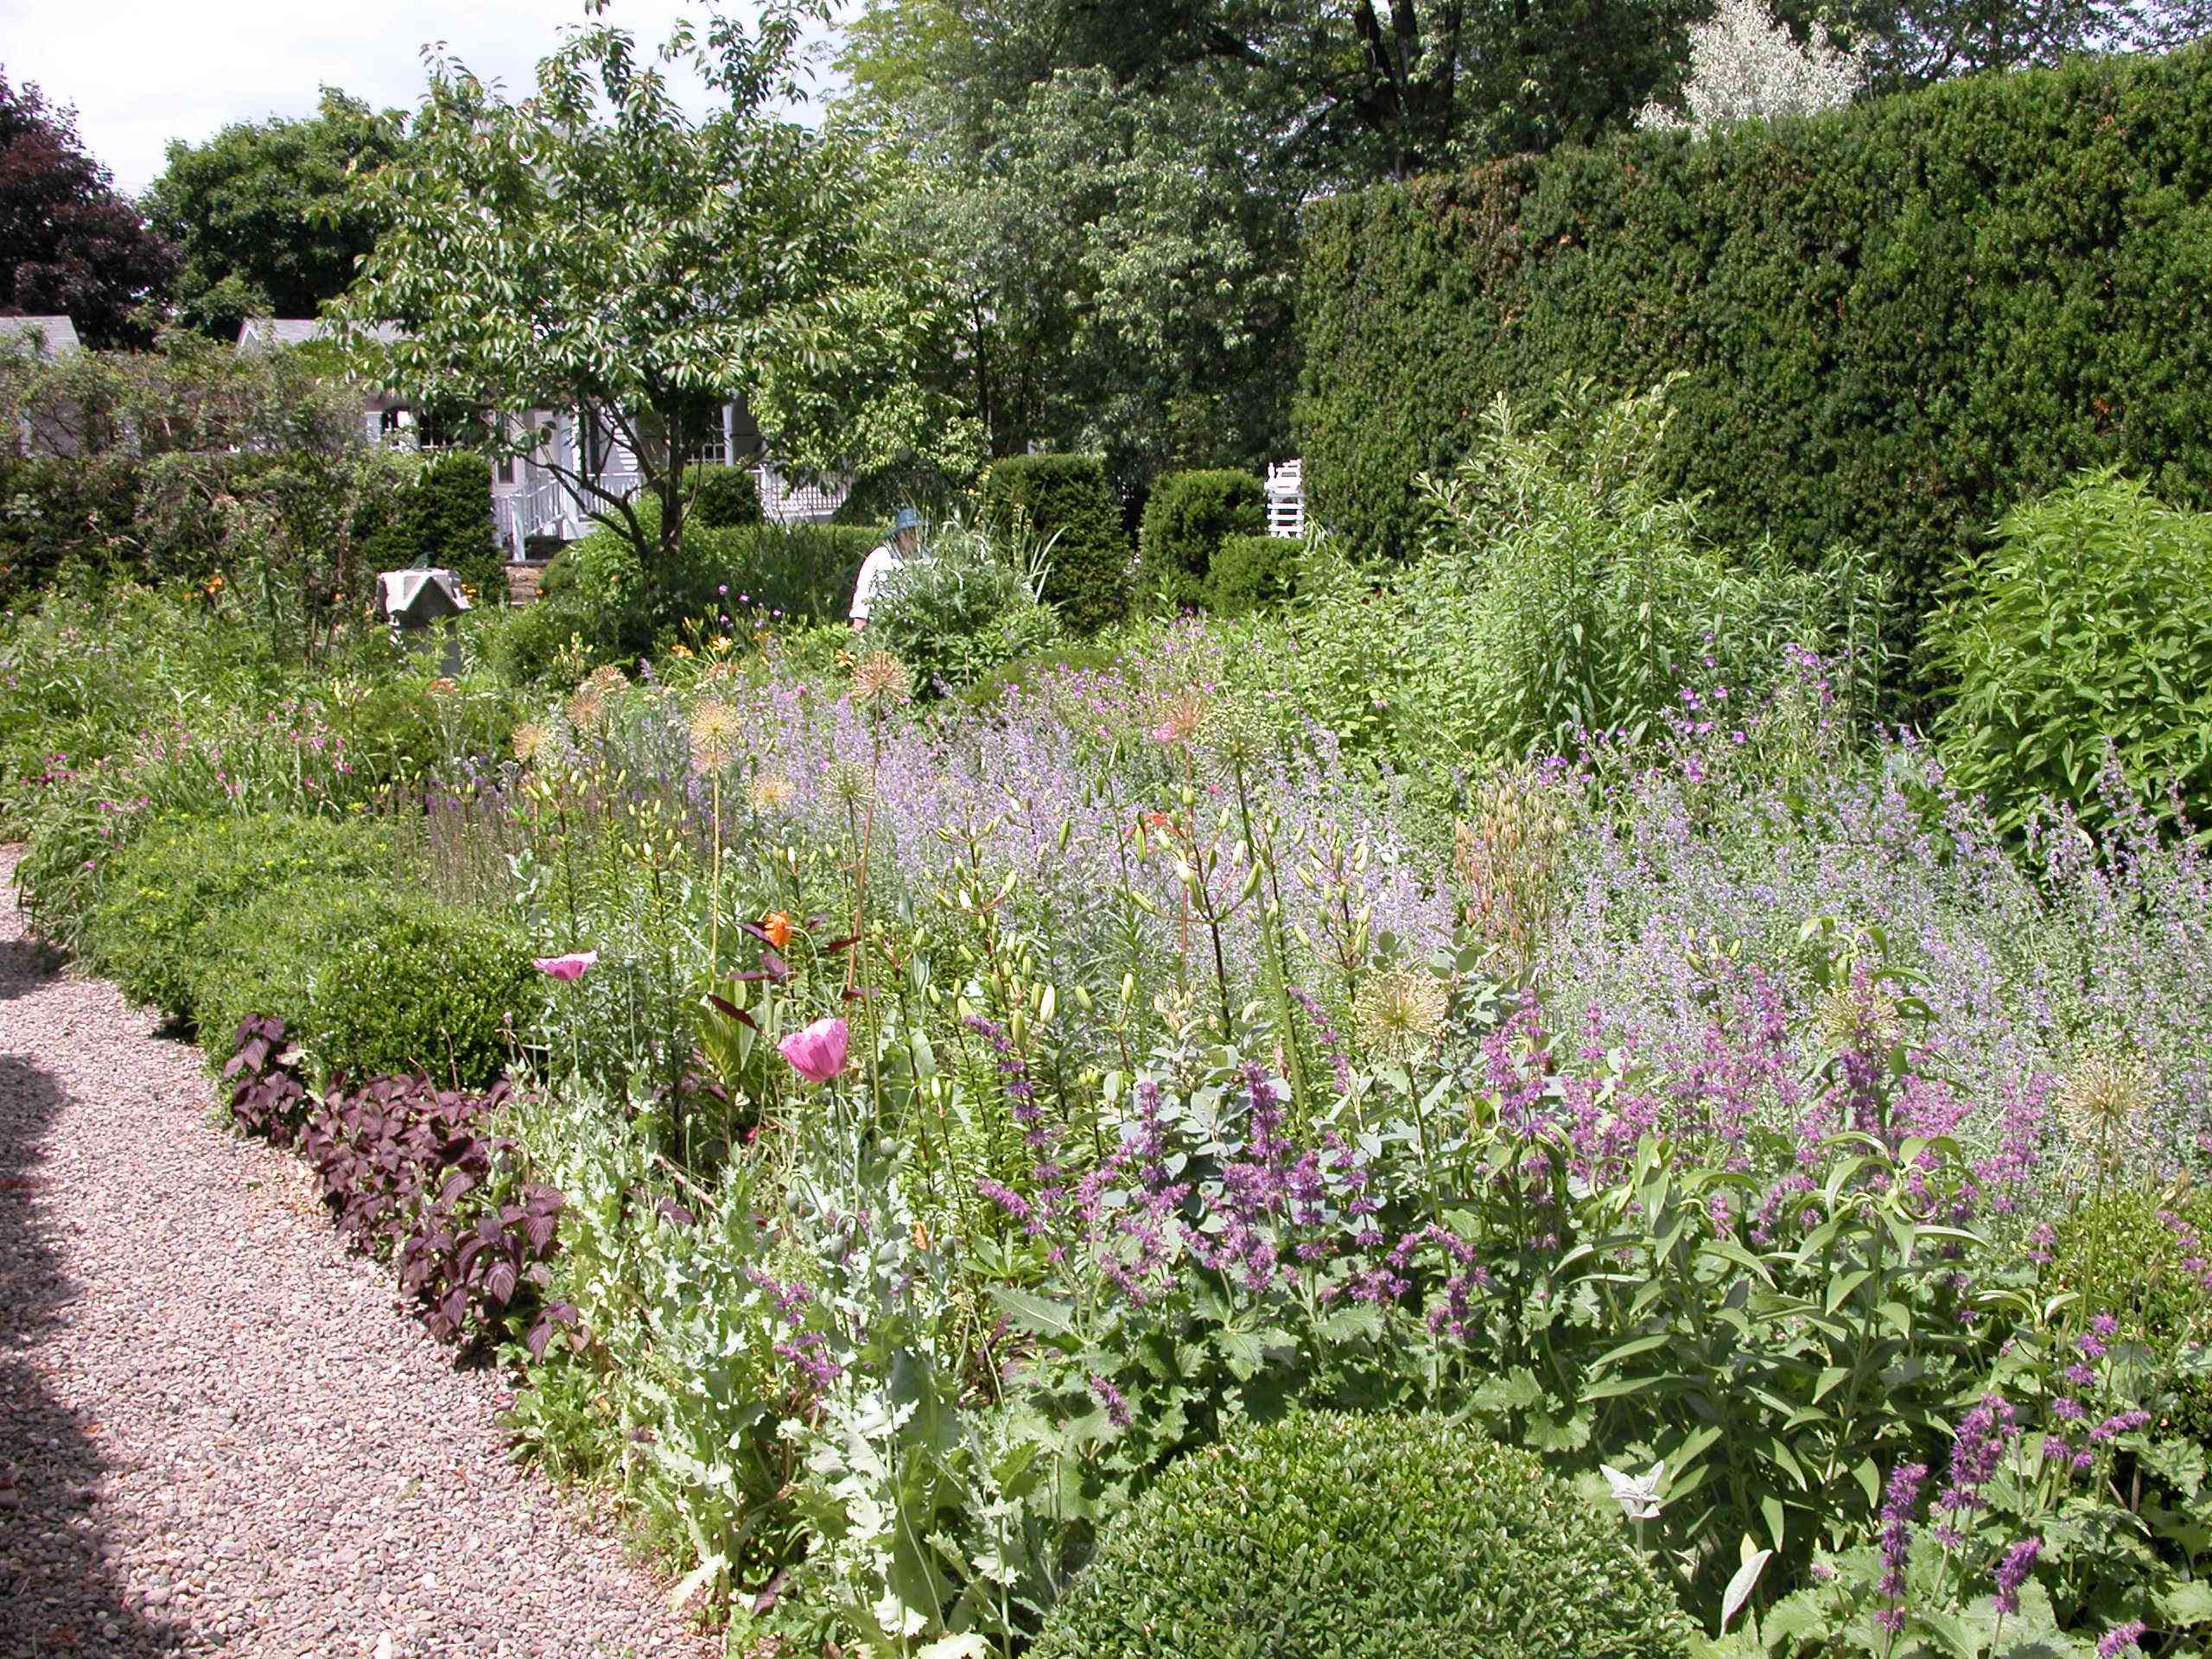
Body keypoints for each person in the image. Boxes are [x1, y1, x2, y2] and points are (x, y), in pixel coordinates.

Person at [850, 506, 923, 631]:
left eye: (914, 532)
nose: (911, 537)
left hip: (919, 626)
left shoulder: (927, 557)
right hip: (885, 626)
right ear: (899, 535)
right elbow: (865, 588)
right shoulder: (880, 556)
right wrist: (860, 618)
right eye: (906, 532)